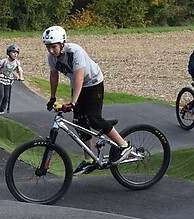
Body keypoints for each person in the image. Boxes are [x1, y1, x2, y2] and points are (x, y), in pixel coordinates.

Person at [42, 25, 132, 176]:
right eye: (48, 47)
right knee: (79, 122)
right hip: (77, 86)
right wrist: (52, 97)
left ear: (62, 43)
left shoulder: (74, 51)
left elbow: (79, 77)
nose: (51, 51)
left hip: (93, 83)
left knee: (93, 119)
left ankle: (123, 145)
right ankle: (89, 160)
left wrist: (73, 102)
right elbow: (54, 76)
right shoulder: (52, 58)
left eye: (54, 47)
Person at [0, 44, 25, 114]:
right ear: (9, 53)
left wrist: (21, 77)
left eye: (16, 53)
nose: (15, 54)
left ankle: (2, 111)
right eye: (13, 52)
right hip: (0, 80)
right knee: (1, 95)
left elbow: (20, 70)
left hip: (9, 80)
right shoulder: (4, 61)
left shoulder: (17, 63)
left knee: (6, 97)